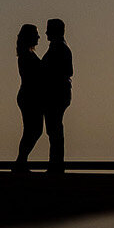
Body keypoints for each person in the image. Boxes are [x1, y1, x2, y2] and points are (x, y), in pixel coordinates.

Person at [38, 18, 73, 173]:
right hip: (58, 94)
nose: (46, 33)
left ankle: (56, 164)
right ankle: (56, 163)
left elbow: (67, 70)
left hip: (56, 95)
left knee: (54, 129)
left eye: (48, 29)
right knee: (54, 129)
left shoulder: (58, 48)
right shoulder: (59, 47)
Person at [12, 23, 44, 173]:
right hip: (29, 96)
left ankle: (21, 161)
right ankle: (21, 162)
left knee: (32, 130)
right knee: (33, 130)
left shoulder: (27, 53)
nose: (38, 37)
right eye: (36, 34)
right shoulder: (27, 55)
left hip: (29, 96)